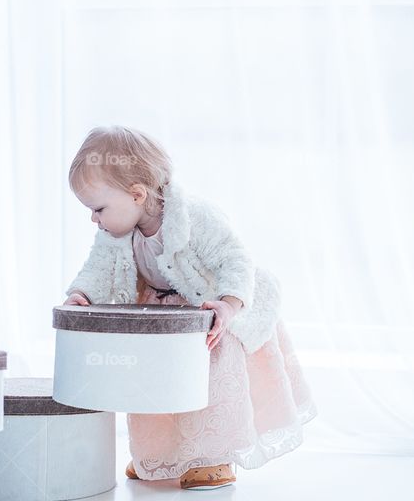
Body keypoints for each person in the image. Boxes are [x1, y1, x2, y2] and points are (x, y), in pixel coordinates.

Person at [63, 126, 317, 491]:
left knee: (208, 384)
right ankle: (160, 456)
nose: (94, 219)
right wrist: (82, 294)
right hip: (161, 317)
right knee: (153, 383)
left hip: (208, 313)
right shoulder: (114, 233)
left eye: (98, 209)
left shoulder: (194, 217)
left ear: (137, 194)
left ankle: (214, 457)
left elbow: (235, 260)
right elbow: (98, 269)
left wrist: (228, 305)